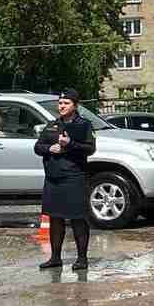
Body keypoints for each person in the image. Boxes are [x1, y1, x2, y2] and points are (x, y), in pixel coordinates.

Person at [33, 89, 96, 270]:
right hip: (54, 178)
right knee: (55, 218)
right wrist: (49, 148)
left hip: (74, 177)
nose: (61, 106)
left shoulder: (84, 125)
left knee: (78, 218)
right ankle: (55, 258)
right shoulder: (52, 125)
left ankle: (82, 259)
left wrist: (70, 144)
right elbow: (38, 147)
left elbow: (90, 149)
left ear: (75, 106)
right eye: (60, 103)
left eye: (66, 103)